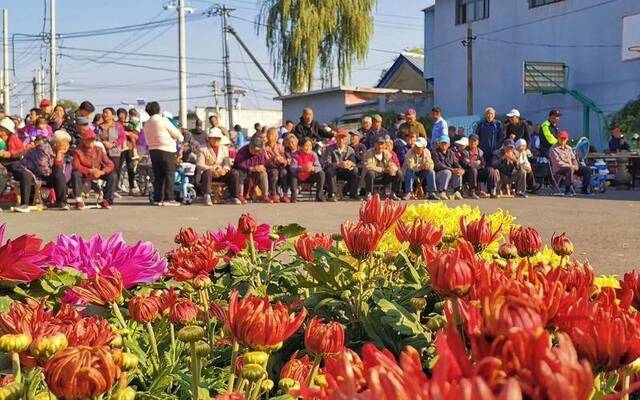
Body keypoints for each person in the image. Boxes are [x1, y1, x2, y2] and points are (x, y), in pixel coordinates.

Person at [144, 101, 184, 206]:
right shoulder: (163, 120)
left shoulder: (146, 123)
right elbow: (179, 135)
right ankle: (169, 198)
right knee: (169, 174)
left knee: (158, 176)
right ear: (158, 109)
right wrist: (178, 138)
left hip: (153, 150)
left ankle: (158, 198)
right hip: (167, 150)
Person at [71, 129, 116, 210]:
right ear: (84, 141)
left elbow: (110, 164)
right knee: (75, 173)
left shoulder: (99, 150)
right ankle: (79, 200)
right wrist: (89, 171)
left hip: (98, 171)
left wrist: (102, 172)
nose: (92, 142)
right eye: (89, 140)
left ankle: (106, 200)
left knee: (113, 175)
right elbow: (76, 165)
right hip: (85, 172)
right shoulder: (78, 151)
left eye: (93, 140)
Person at [197, 127, 234, 206]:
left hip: (220, 173)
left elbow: (227, 163)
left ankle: (234, 196)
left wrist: (224, 170)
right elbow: (200, 164)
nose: (216, 140)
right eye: (214, 138)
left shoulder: (224, 148)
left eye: (218, 139)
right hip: (207, 173)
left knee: (235, 173)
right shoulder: (202, 148)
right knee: (208, 173)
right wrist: (211, 169)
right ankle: (207, 195)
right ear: (209, 139)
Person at [231, 134, 272, 204]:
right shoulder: (242, 151)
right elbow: (238, 164)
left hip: (255, 172)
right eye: (254, 150)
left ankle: (265, 195)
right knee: (240, 173)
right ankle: (240, 195)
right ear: (250, 146)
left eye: (258, 151)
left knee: (263, 174)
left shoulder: (261, 152)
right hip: (243, 171)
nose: (256, 152)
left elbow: (263, 162)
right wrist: (251, 168)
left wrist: (261, 167)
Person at [549, 130, 592, 196]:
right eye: (561, 138)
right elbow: (558, 162)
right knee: (569, 169)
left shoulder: (569, 148)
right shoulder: (553, 149)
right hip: (559, 169)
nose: (563, 140)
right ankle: (567, 190)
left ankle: (584, 189)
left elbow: (573, 159)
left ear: (567, 139)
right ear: (558, 138)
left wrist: (576, 165)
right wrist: (571, 166)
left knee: (587, 170)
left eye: (564, 138)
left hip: (571, 167)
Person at [323, 128, 359, 200]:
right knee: (330, 171)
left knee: (355, 170)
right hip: (335, 171)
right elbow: (327, 163)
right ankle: (332, 194)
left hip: (346, 171)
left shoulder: (350, 149)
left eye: (343, 138)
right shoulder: (330, 148)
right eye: (339, 137)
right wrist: (338, 164)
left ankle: (353, 194)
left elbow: (353, 162)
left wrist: (349, 163)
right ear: (336, 138)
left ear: (346, 139)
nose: (341, 140)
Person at [461, 134, 499, 199]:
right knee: (473, 169)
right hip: (467, 173)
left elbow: (483, 165)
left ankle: (492, 191)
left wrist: (472, 162)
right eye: (471, 141)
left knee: (491, 170)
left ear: (478, 142)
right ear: (468, 142)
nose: (473, 143)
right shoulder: (464, 151)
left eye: (475, 141)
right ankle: (472, 191)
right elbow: (464, 163)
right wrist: (474, 163)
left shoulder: (480, 152)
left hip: (478, 173)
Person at [363, 136, 401, 200]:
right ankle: (369, 193)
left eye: (382, 144)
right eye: (378, 144)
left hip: (384, 176)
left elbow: (391, 163)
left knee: (399, 173)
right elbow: (368, 166)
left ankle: (393, 193)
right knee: (370, 173)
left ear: (384, 145)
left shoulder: (387, 153)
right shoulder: (369, 153)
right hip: (374, 175)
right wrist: (383, 170)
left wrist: (392, 169)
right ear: (375, 144)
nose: (380, 146)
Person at [290, 137, 326, 202]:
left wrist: (313, 168)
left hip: (310, 175)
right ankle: (294, 196)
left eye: (310, 146)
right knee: (293, 174)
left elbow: (319, 166)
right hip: (299, 175)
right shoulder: (295, 155)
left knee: (321, 173)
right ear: (300, 147)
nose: (309, 148)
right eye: (306, 146)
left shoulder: (313, 154)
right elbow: (292, 168)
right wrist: (302, 168)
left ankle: (319, 196)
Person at [433, 135, 464, 200]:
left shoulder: (451, 153)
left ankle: (456, 192)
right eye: (442, 143)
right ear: (439, 144)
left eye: (445, 143)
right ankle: (442, 192)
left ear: (449, 144)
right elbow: (438, 165)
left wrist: (461, 169)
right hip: (438, 175)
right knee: (448, 172)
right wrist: (452, 169)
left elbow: (455, 163)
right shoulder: (435, 152)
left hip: (449, 173)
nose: (443, 145)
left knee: (458, 171)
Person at [264, 127, 290, 203]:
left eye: (276, 135)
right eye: (272, 135)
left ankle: (284, 194)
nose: (274, 137)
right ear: (268, 136)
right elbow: (264, 160)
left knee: (284, 172)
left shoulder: (280, 147)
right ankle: (273, 193)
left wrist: (283, 160)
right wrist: (274, 159)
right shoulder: (264, 148)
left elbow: (285, 159)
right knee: (274, 172)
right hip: (269, 167)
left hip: (280, 167)